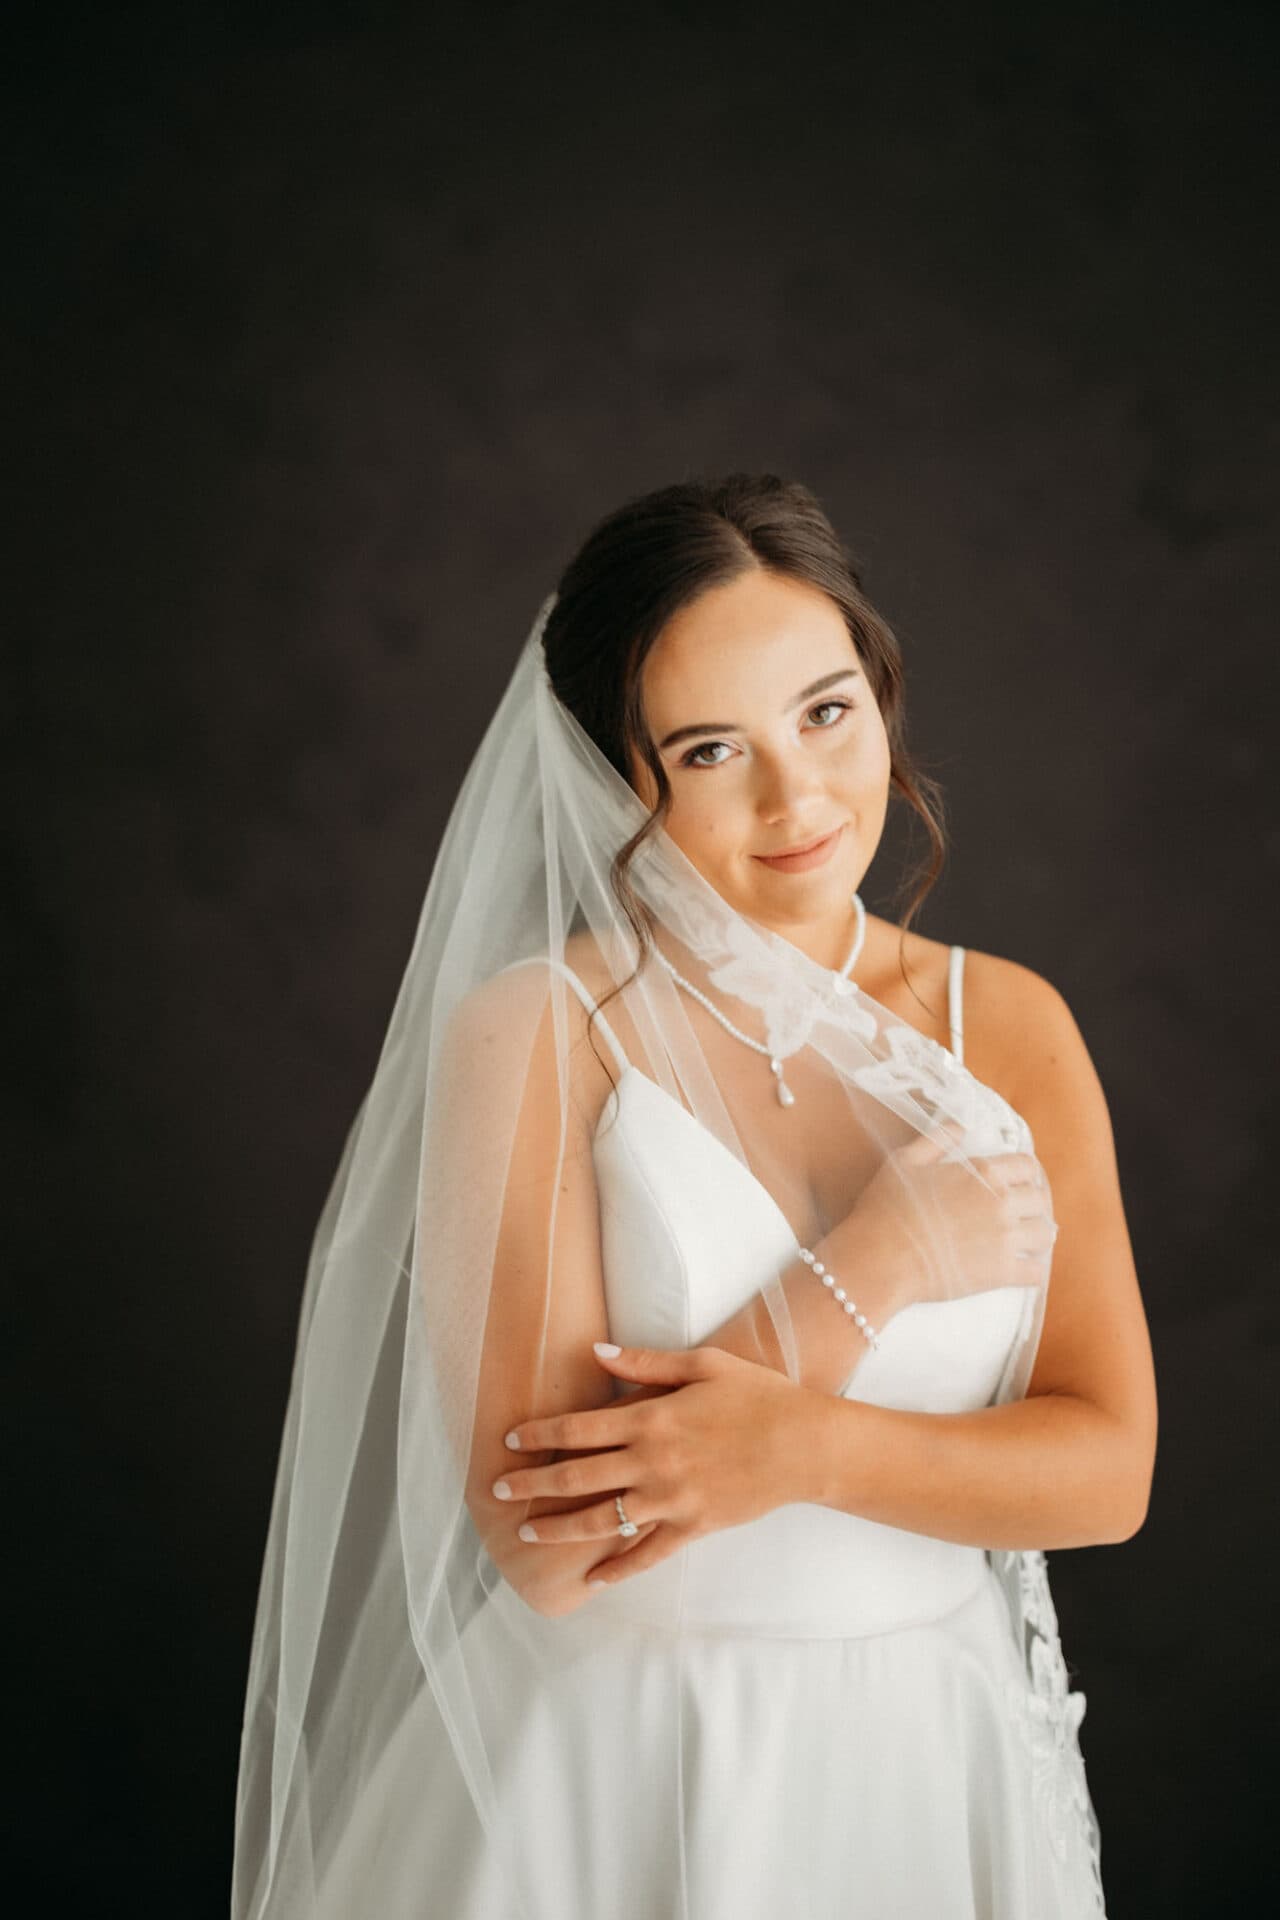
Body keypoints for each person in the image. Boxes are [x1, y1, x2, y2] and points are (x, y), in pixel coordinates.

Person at [230, 472, 1156, 1919]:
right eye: (712, 749)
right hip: (619, 1764)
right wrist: (875, 1268)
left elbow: (1107, 1475)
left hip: (927, 1750)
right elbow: (551, 1551)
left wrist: (796, 1448)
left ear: (881, 693)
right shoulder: (539, 1035)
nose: (799, 795)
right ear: (617, 776)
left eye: (827, 711)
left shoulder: (1012, 1028)